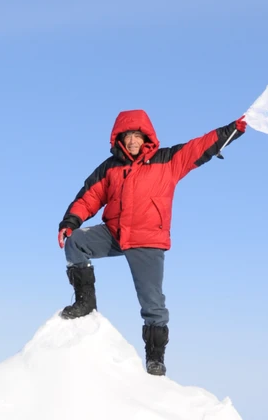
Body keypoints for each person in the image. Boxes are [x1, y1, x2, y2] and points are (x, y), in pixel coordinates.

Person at [57, 109, 246, 375]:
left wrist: (232, 130)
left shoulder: (168, 160)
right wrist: (70, 222)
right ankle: (85, 304)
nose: (132, 141)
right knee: (75, 242)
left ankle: (155, 359)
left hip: (147, 240)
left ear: (146, 137)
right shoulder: (110, 167)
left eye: (137, 135)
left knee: (152, 303)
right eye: (127, 136)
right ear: (119, 139)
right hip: (114, 233)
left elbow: (198, 147)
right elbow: (90, 196)